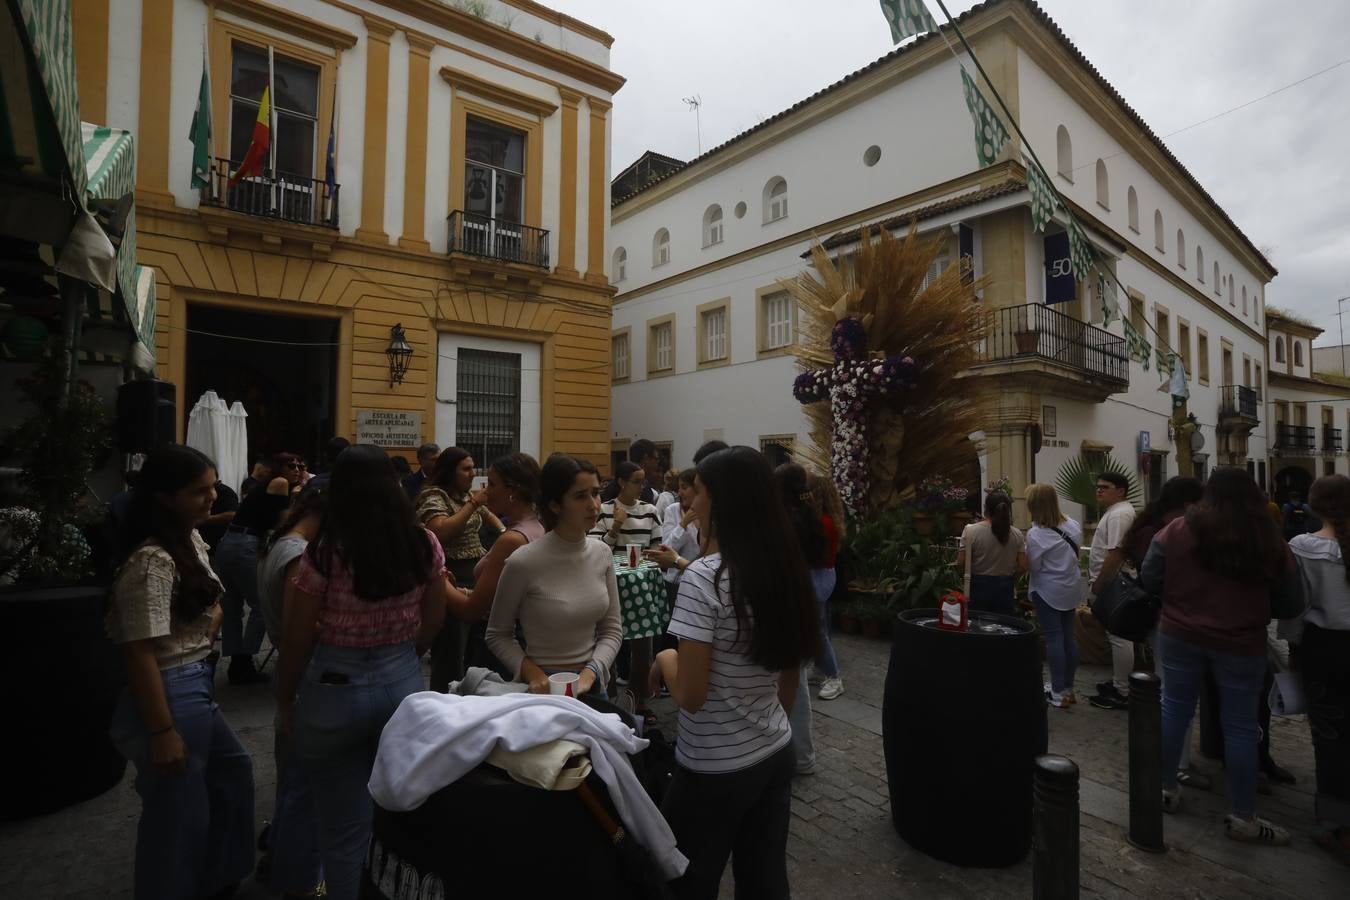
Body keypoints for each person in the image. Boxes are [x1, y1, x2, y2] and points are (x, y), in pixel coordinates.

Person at [276, 444, 449, 900]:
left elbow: (297, 635)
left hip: (334, 684)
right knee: (394, 814)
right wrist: (408, 654)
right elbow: (434, 616)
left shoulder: (325, 551)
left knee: (342, 829)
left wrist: (285, 696)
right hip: (401, 680)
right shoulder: (422, 543)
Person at [651, 446, 819, 898]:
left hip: (711, 767)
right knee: (764, 880)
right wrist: (764, 725)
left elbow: (691, 695)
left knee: (685, 882)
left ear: (722, 500)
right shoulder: (783, 566)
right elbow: (788, 674)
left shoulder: (703, 578)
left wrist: (665, 660)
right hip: (774, 750)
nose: (691, 501)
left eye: (698, 491)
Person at [106, 445, 255, 899]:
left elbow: (215, 601)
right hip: (172, 686)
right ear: (165, 497)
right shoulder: (151, 560)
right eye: (199, 491)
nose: (212, 497)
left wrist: (209, 624)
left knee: (231, 777)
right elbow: (138, 652)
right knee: (178, 811)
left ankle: (214, 878)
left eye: (213, 487)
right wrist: (161, 731)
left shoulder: (189, 539)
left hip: (195, 680)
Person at [1139, 467, 1302, 846]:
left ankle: (1164, 788)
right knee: (1241, 726)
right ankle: (1244, 816)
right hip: (1241, 642)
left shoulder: (1178, 529)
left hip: (1180, 634)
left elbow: (1150, 577)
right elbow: (1292, 600)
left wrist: (1181, 596)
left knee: (1173, 710)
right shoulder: (1267, 538)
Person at [486, 454, 623, 697]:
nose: (593, 505)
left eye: (595, 493)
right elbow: (498, 634)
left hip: (592, 685)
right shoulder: (523, 561)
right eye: (580, 496)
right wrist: (532, 673)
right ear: (554, 504)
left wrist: (591, 672)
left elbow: (612, 629)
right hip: (544, 688)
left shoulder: (602, 553)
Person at [255, 484, 327, 896]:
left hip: (291, 668)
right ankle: (291, 872)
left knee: (293, 778)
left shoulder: (282, 542)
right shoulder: (299, 555)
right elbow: (303, 626)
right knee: (302, 785)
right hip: (301, 672)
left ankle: (279, 852)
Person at [1287, 474, 1350, 864]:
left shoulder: (1303, 548)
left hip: (1323, 651)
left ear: (1314, 505)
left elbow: (1296, 607)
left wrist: (1293, 648)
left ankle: (1336, 824)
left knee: (1330, 739)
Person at [415, 446, 504, 690]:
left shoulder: (463, 496)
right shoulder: (434, 496)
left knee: (474, 649)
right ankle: (444, 699)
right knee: (451, 651)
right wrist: (473, 503)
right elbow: (440, 531)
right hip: (450, 578)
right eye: (466, 469)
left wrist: (505, 532)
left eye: (473, 468)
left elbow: (488, 516)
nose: (473, 474)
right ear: (449, 471)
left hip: (475, 575)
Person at [215, 451, 305, 684]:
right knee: (262, 605)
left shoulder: (265, 485)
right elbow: (282, 522)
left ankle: (237, 662)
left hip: (229, 541)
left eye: (300, 466)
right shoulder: (280, 482)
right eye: (291, 465)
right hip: (246, 543)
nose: (297, 470)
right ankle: (245, 660)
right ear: (279, 468)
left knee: (232, 607)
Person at [455, 453, 545, 674]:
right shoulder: (536, 526)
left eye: (493, 484)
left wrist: (437, 577)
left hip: (497, 649)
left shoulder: (512, 540)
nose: (486, 490)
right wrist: (463, 591)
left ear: (513, 491)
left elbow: (471, 611)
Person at [774, 463, 830, 774]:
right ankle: (802, 755)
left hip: (787, 602)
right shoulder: (810, 516)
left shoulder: (783, 521)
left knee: (789, 683)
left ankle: (794, 755)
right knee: (798, 683)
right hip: (804, 599)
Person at [1024, 484, 1084, 708]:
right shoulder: (1073, 525)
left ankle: (1057, 692)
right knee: (1069, 637)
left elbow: (1035, 567)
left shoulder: (1036, 535)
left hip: (1048, 590)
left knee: (1054, 639)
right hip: (1071, 587)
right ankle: (1068, 687)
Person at [1086, 471, 1137, 711]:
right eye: (1098, 486)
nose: (1099, 490)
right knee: (1117, 635)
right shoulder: (1117, 512)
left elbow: (1116, 554)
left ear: (1121, 490)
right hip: (1114, 582)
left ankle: (1122, 691)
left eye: (1105, 487)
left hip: (1114, 582)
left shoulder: (1119, 515)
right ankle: (1119, 683)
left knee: (1119, 637)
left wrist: (1099, 584)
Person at [956, 490, 1026, 615]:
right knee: (1003, 623)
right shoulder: (1017, 534)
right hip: (1005, 587)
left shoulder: (971, 531)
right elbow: (1023, 565)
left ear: (986, 509)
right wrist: (1012, 579)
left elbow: (961, 562)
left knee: (978, 623)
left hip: (978, 586)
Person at [811, 472, 847, 701]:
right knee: (822, 625)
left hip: (817, 575)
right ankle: (821, 669)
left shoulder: (822, 523)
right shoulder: (828, 519)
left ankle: (834, 677)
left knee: (818, 629)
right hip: (824, 574)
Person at [591, 460, 663, 550]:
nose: (642, 487)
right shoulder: (603, 510)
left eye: (643, 482)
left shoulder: (651, 511)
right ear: (622, 482)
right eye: (636, 482)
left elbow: (657, 548)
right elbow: (596, 550)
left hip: (644, 559)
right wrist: (616, 527)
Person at [603, 438, 661, 503]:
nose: (658, 462)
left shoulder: (611, 486)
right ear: (646, 458)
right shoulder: (644, 491)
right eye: (656, 459)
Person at [196, 477, 239, 553]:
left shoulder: (226, 492)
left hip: (217, 541)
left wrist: (204, 519)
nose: (213, 496)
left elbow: (232, 514)